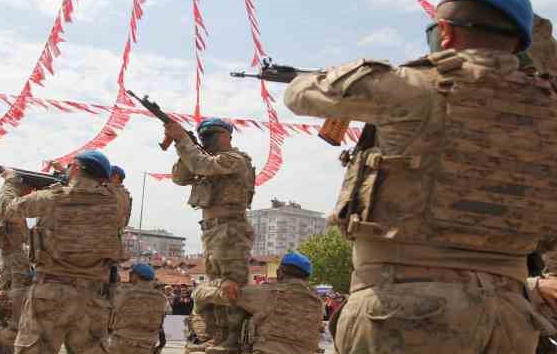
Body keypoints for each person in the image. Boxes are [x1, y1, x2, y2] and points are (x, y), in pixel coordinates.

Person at [284, 0, 556, 352]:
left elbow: (298, 93)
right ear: (521, 44)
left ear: (444, 32)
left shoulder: (413, 89)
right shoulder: (549, 108)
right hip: (510, 320)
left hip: (402, 310)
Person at [0, 150, 123, 354]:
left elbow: (9, 210)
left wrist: (10, 182)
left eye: (70, 166)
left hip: (51, 293)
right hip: (93, 298)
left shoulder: (53, 198)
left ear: (76, 167)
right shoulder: (116, 204)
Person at [167, 117, 256, 354]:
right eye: (203, 136)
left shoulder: (236, 159)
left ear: (227, 136)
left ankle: (234, 339)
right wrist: (186, 145)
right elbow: (179, 177)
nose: (207, 140)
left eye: (211, 136)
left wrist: (184, 141)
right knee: (216, 286)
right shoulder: (203, 157)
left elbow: (202, 166)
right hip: (211, 230)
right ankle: (219, 336)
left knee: (231, 285)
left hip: (231, 229)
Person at [193, 252, 324, 354]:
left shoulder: (267, 293)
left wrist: (205, 287)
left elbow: (220, 295)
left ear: (279, 273)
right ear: (307, 278)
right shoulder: (318, 302)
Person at [107, 263, 167, 354]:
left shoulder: (125, 292)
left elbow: (110, 298)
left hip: (123, 341)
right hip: (147, 343)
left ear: (135, 276)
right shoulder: (161, 297)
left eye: (131, 274)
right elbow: (160, 322)